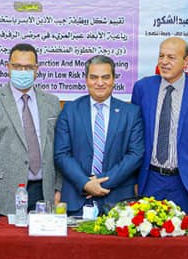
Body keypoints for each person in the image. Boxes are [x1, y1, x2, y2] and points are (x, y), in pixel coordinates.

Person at [0, 43, 62, 216]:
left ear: (36, 69)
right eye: (17, 66)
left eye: (28, 67)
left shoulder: (51, 102)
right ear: (8, 67)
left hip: (44, 191)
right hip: (3, 195)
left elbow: (58, 148)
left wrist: (58, 188)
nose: (22, 71)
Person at [131, 37, 188, 214]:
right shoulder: (143, 88)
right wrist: (133, 180)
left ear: (186, 61)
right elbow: (134, 137)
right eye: (161, 56)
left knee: (186, 232)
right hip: (150, 180)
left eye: (171, 57)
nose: (164, 62)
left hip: (187, 184)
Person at [54, 55, 143, 215]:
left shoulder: (131, 113)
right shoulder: (70, 110)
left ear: (113, 80)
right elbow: (62, 154)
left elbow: (135, 155)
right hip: (77, 198)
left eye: (105, 77)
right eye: (94, 77)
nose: (100, 83)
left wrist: (102, 182)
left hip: (118, 201)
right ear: (86, 80)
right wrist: (85, 183)